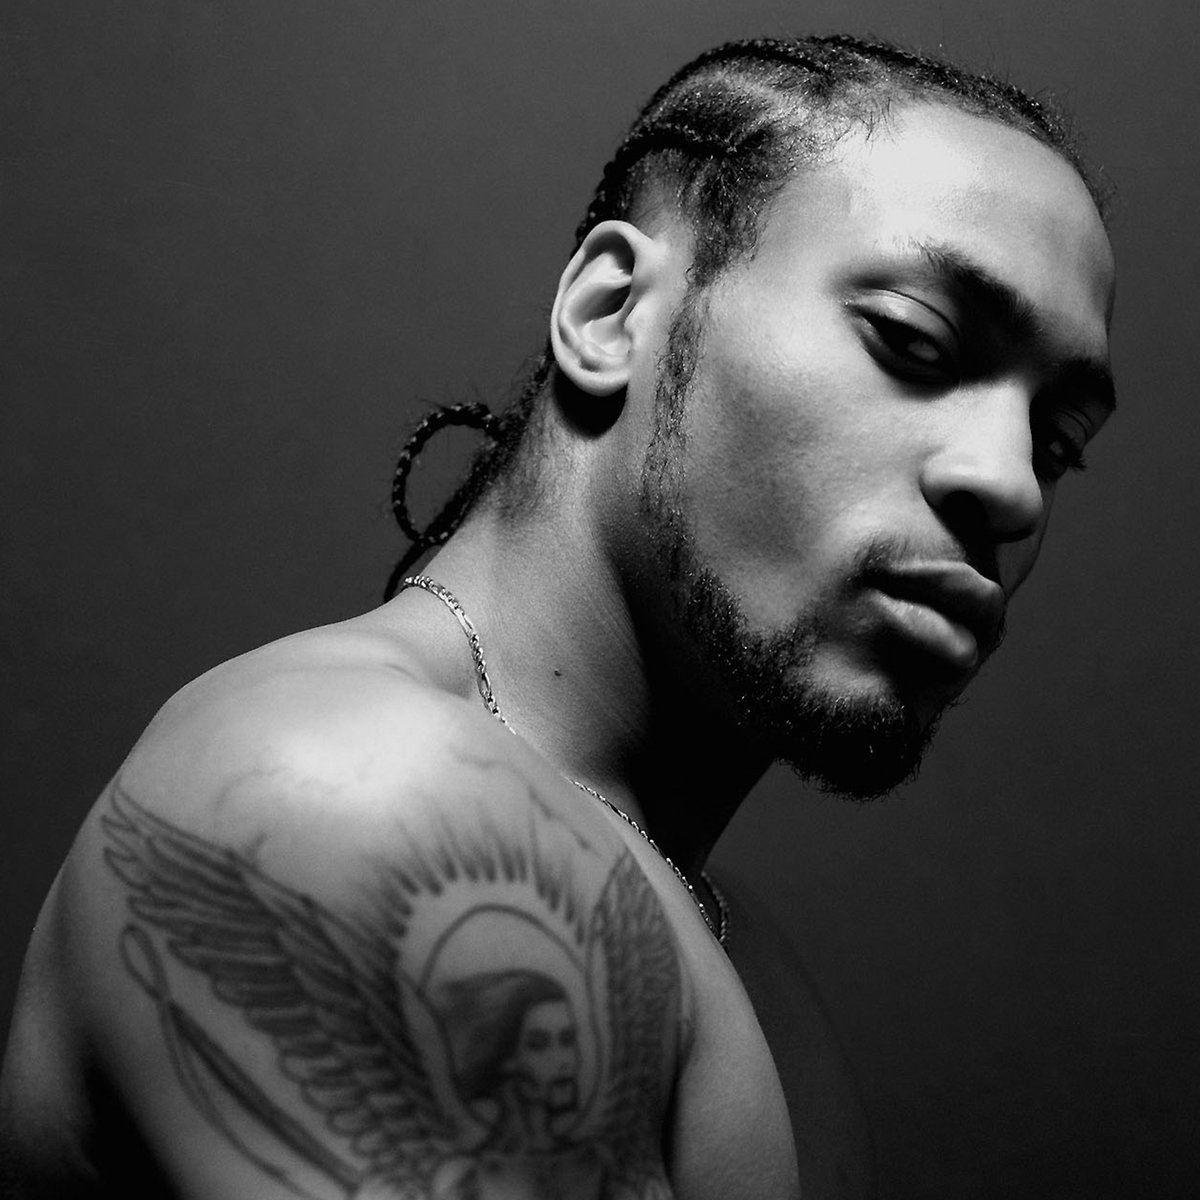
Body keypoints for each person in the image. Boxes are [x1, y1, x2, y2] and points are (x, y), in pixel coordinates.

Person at [0, 32, 1116, 1200]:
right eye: (915, 341)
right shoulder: (365, 808)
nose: (1011, 487)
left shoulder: (740, 962)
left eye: (1057, 443)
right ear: (611, 311)